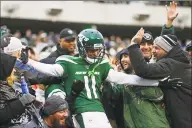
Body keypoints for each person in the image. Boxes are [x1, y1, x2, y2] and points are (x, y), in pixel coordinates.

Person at [19, 28, 181, 128]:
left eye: (97, 50)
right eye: (91, 50)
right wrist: (30, 61)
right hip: (80, 112)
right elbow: (50, 69)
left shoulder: (102, 65)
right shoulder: (68, 62)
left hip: (98, 110)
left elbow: (128, 79)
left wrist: (158, 82)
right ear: (82, 49)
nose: (95, 53)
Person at [127, 2, 191, 127]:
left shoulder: (169, 65)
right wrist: (168, 24)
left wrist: (134, 45)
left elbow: (143, 69)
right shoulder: (179, 59)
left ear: (166, 50)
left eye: (157, 48)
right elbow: (168, 42)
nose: (153, 50)